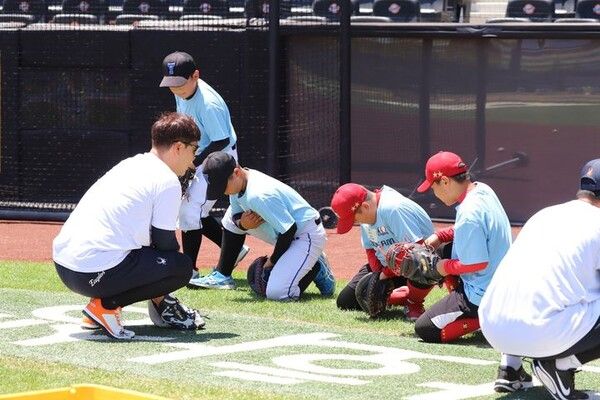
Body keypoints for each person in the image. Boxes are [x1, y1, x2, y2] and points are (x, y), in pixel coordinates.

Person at [52, 112, 205, 340]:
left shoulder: (131, 163)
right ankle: (106, 306)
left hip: (65, 266)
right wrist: (162, 290)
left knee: (149, 255)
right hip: (90, 271)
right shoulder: (167, 180)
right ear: (178, 147)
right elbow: (164, 243)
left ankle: (97, 308)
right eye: (194, 149)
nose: (194, 159)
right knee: (181, 267)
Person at [479, 158, 600, 399]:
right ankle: (561, 365)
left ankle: (510, 368)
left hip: (492, 326)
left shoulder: (544, 214)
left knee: (544, 284)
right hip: (541, 332)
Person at [411, 151, 529, 390]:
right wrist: (441, 235)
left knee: (425, 329)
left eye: (434, 186)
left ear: (445, 181)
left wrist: (442, 268)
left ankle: (483, 320)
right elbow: (475, 229)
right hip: (503, 280)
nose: (434, 192)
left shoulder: (468, 213)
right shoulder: (482, 190)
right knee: (441, 250)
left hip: (483, 293)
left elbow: (477, 264)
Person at [159, 51, 249, 290]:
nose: (176, 89)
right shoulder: (182, 91)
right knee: (192, 210)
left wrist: (193, 162)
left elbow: (221, 140)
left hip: (219, 160)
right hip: (200, 155)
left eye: (180, 83)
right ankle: (234, 249)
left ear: (195, 76)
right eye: (171, 84)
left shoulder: (208, 104)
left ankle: (190, 270)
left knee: (190, 211)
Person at [200, 151, 336, 301]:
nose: (223, 191)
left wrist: (272, 261)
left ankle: (316, 267)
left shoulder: (259, 194)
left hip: (305, 234)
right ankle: (222, 275)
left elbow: (289, 230)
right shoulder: (241, 181)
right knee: (229, 220)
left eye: (222, 186)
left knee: (278, 293)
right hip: (285, 231)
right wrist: (242, 224)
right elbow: (235, 215)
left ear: (236, 173)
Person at [330, 182, 443, 321]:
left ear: (365, 207)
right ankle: (400, 295)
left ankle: (412, 301)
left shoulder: (393, 209)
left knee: (418, 262)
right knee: (346, 302)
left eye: (354, 218)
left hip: (416, 265)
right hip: (388, 266)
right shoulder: (368, 213)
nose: (355, 223)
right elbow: (370, 249)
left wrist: (385, 275)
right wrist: (377, 275)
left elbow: (417, 251)